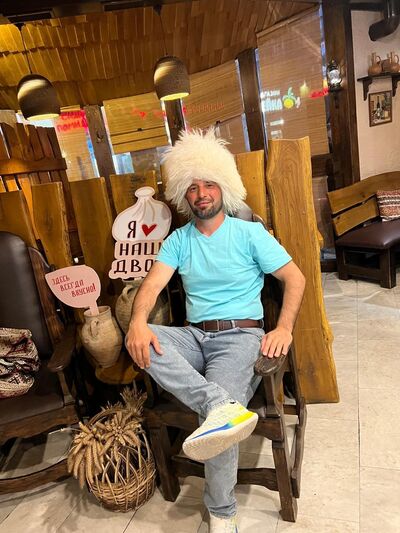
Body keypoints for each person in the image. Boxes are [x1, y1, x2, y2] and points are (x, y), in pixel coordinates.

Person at [125, 128, 305, 533]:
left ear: (224, 186)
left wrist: (284, 328)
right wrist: (137, 322)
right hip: (193, 336)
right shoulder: (178, 240)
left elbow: (295, 278)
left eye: (208, 184)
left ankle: (222, 512)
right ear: (183, 195)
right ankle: (220, 406)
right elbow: (150, 287)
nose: (201, 193)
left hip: (241, 336)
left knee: (218, 419)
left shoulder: (249, 233)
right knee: (142, 338)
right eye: (192, 187)